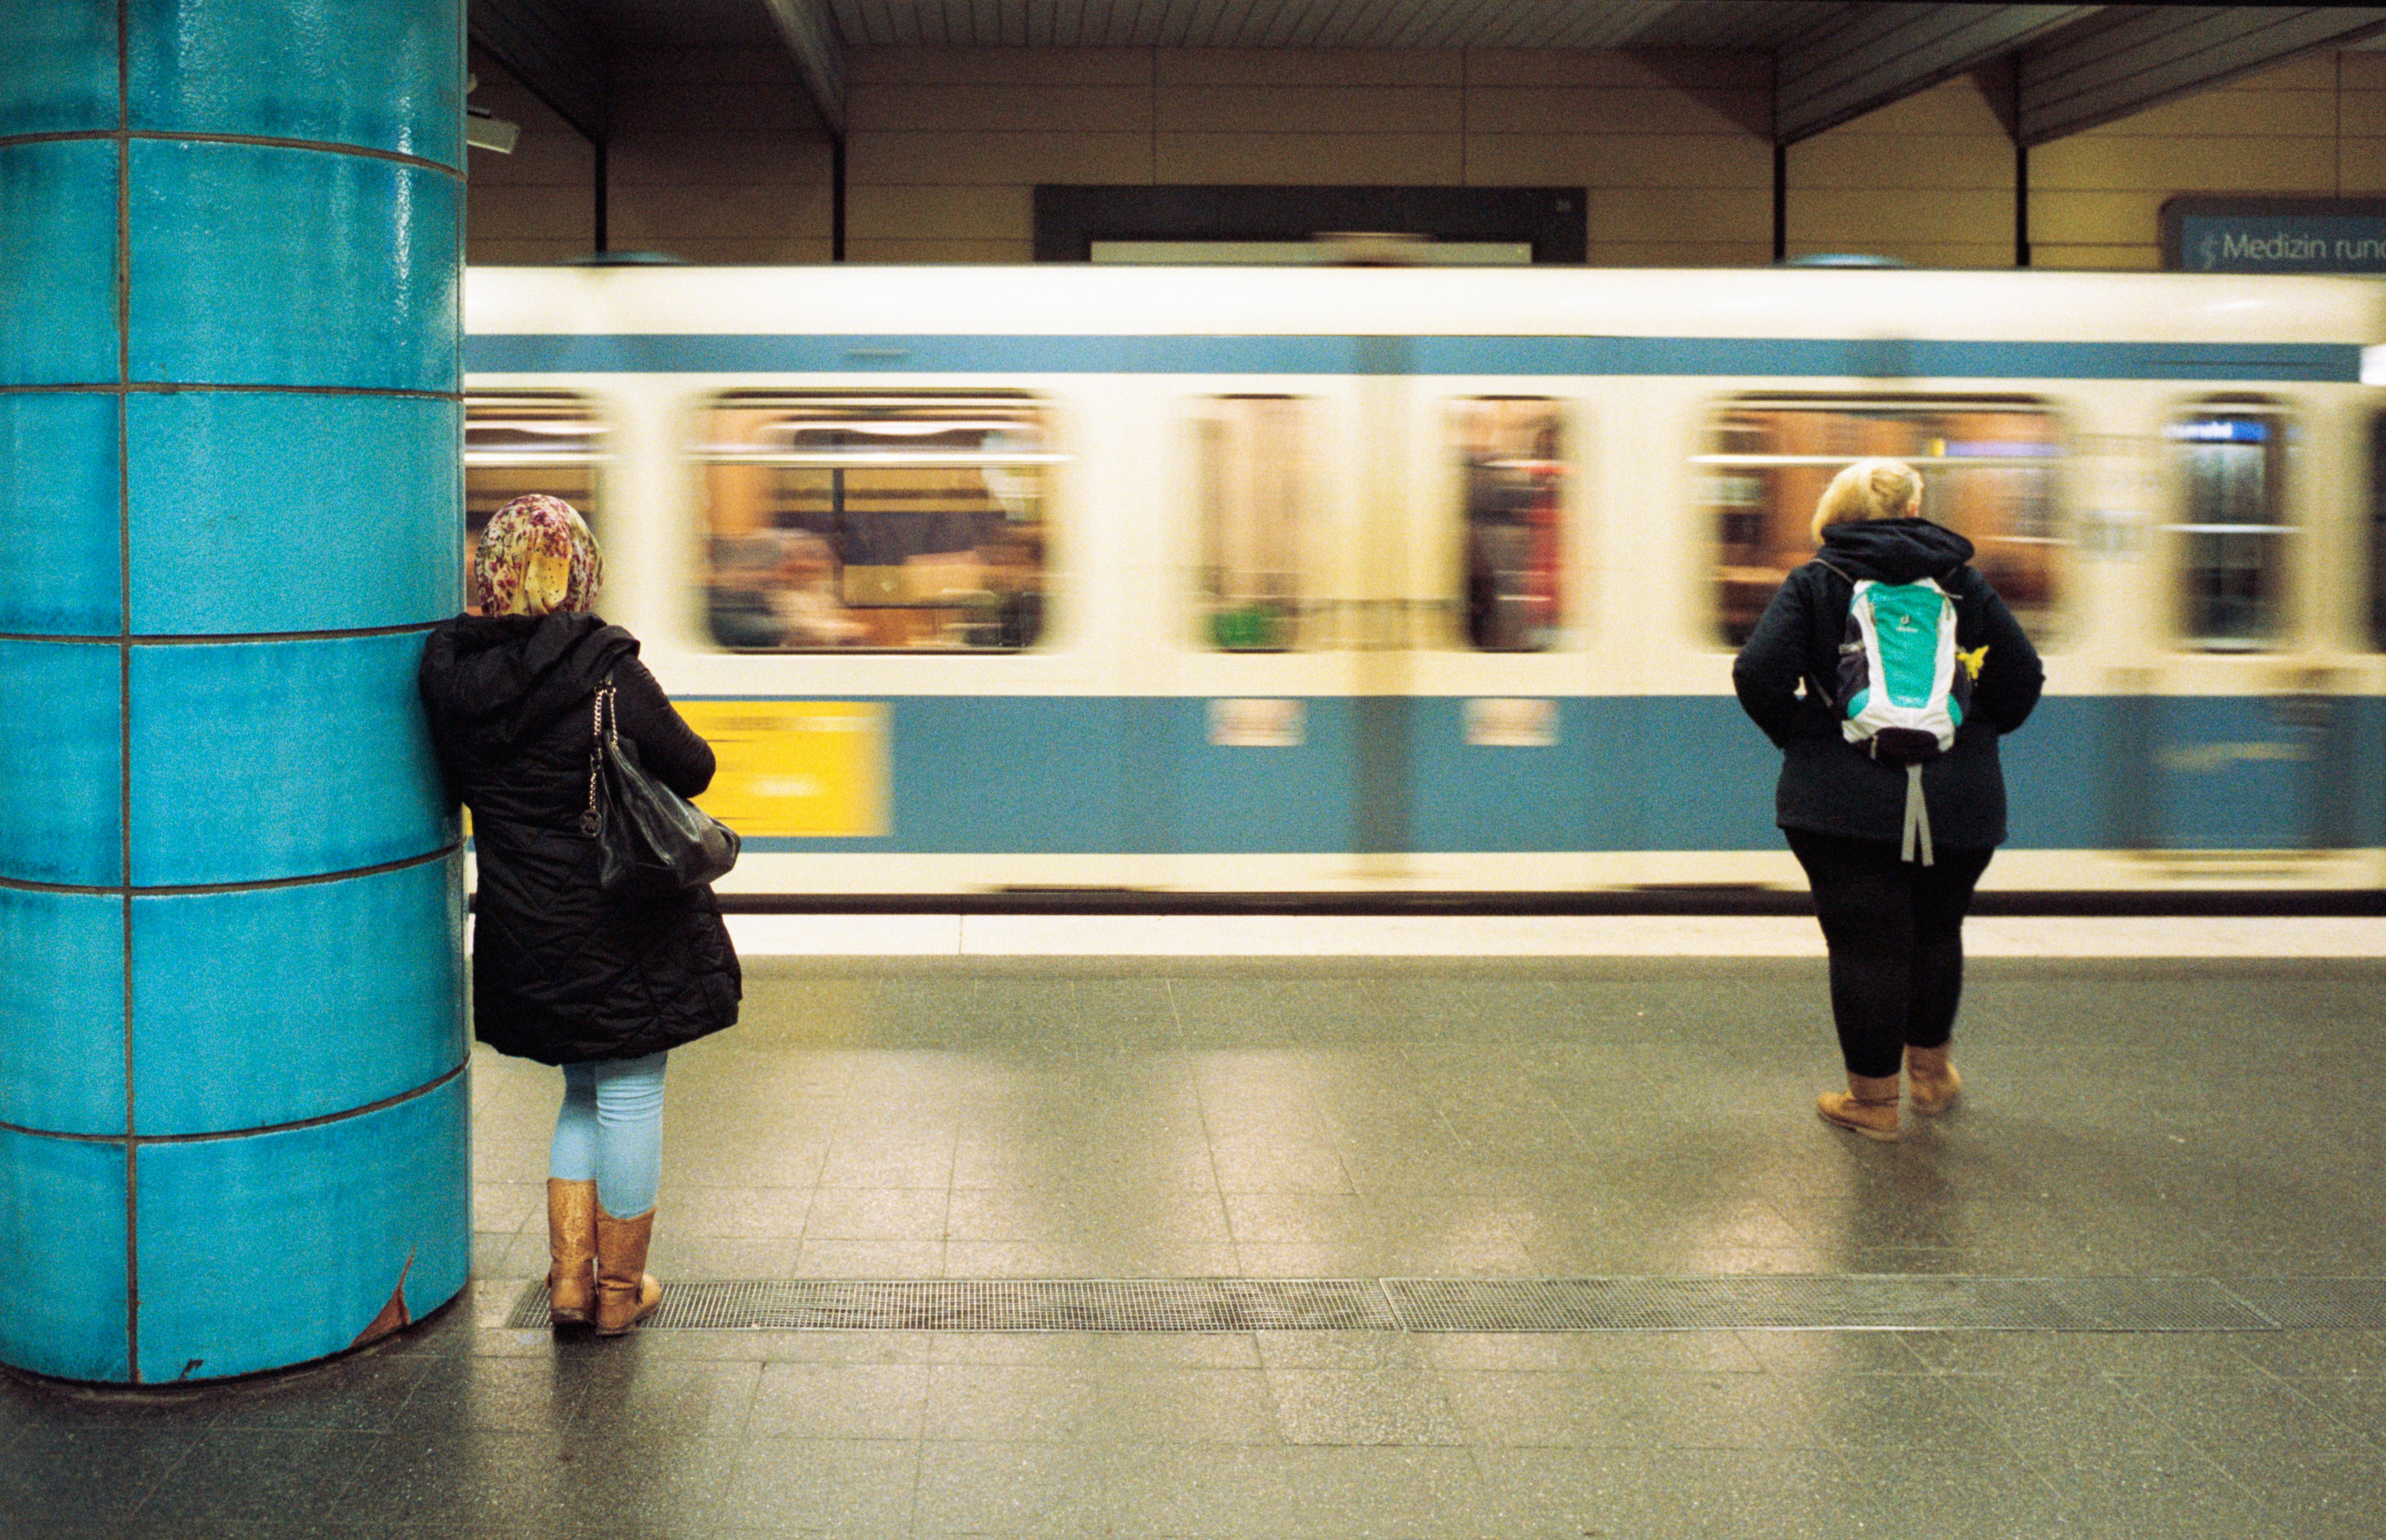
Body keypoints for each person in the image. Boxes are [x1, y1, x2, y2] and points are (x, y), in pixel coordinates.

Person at [419, 494, 741, 1333]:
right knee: (630, 1090)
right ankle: (619, 1294)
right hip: (620, 918)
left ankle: (568, 1282)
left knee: (580, 1091)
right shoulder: (605, 668)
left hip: (525, 923)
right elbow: (694, 767)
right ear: (582, 573)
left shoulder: (451, 678)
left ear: (491, 575)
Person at [1731, 459, 2043, 1142]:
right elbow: (2023, 678)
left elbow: (1757, 673)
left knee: (1865, 948)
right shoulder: (1962, 582)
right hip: (1959, 798)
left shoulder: (1817, 581)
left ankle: (1872, 1105)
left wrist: (1807, 737)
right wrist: (1968, 734)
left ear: (1839, 513)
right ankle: (1931, 1078)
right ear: (1913, 511)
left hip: (1841, 803)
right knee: (1937, 931)